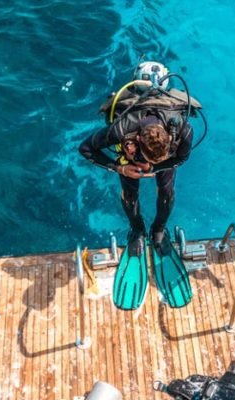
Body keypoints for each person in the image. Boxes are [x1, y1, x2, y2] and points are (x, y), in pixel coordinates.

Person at [79, 61, 200, 310]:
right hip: (128, 164)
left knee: (166, 192)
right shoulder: (123, 128)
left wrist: (157, 167)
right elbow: (86, 148)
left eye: (153, 160)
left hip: (163, 163)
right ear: (137, 142)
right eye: (145, 156)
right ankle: (137, 231)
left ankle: (158, 231)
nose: (147, 165)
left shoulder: (182, 130)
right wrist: (121, 167)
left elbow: (183, 157)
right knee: (130, 195)